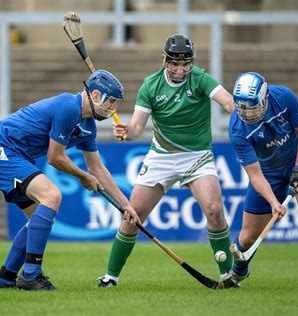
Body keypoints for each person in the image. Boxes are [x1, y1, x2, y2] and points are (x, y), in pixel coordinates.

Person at [97, 34, 236, 287]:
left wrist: (240, 109)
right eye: (175, 63)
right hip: (161, 156)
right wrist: (127, 131)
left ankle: (229, 275)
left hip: (197, 157)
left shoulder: (201, 79)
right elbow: (138, 127)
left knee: (215, 210)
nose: (181, 70)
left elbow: (227, 101)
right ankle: (110, 276)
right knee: (133, 215)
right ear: (165, 60)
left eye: (186, 64)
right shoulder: (150, 85)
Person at [0, 69, 140, 291]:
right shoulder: (68, 107)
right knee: (52, 195)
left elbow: (97, 168)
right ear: (95, 96)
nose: (113, 108)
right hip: (2, 151)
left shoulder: (88, 125)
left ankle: (5, 278)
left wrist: (126, 205)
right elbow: (55, 157)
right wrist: (83, 177)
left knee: (38, 217)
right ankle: (30, 276)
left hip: (20, 157)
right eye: (111, 102)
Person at [227, 72, 298, 290]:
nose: (246, 113)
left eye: (251, 106)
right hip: (267, 171)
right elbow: (254, 174)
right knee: (247, 237)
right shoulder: (237, 129)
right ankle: (239, 271)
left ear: (264, 98)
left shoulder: (283, 97)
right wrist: (274, 202)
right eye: (241, 107)